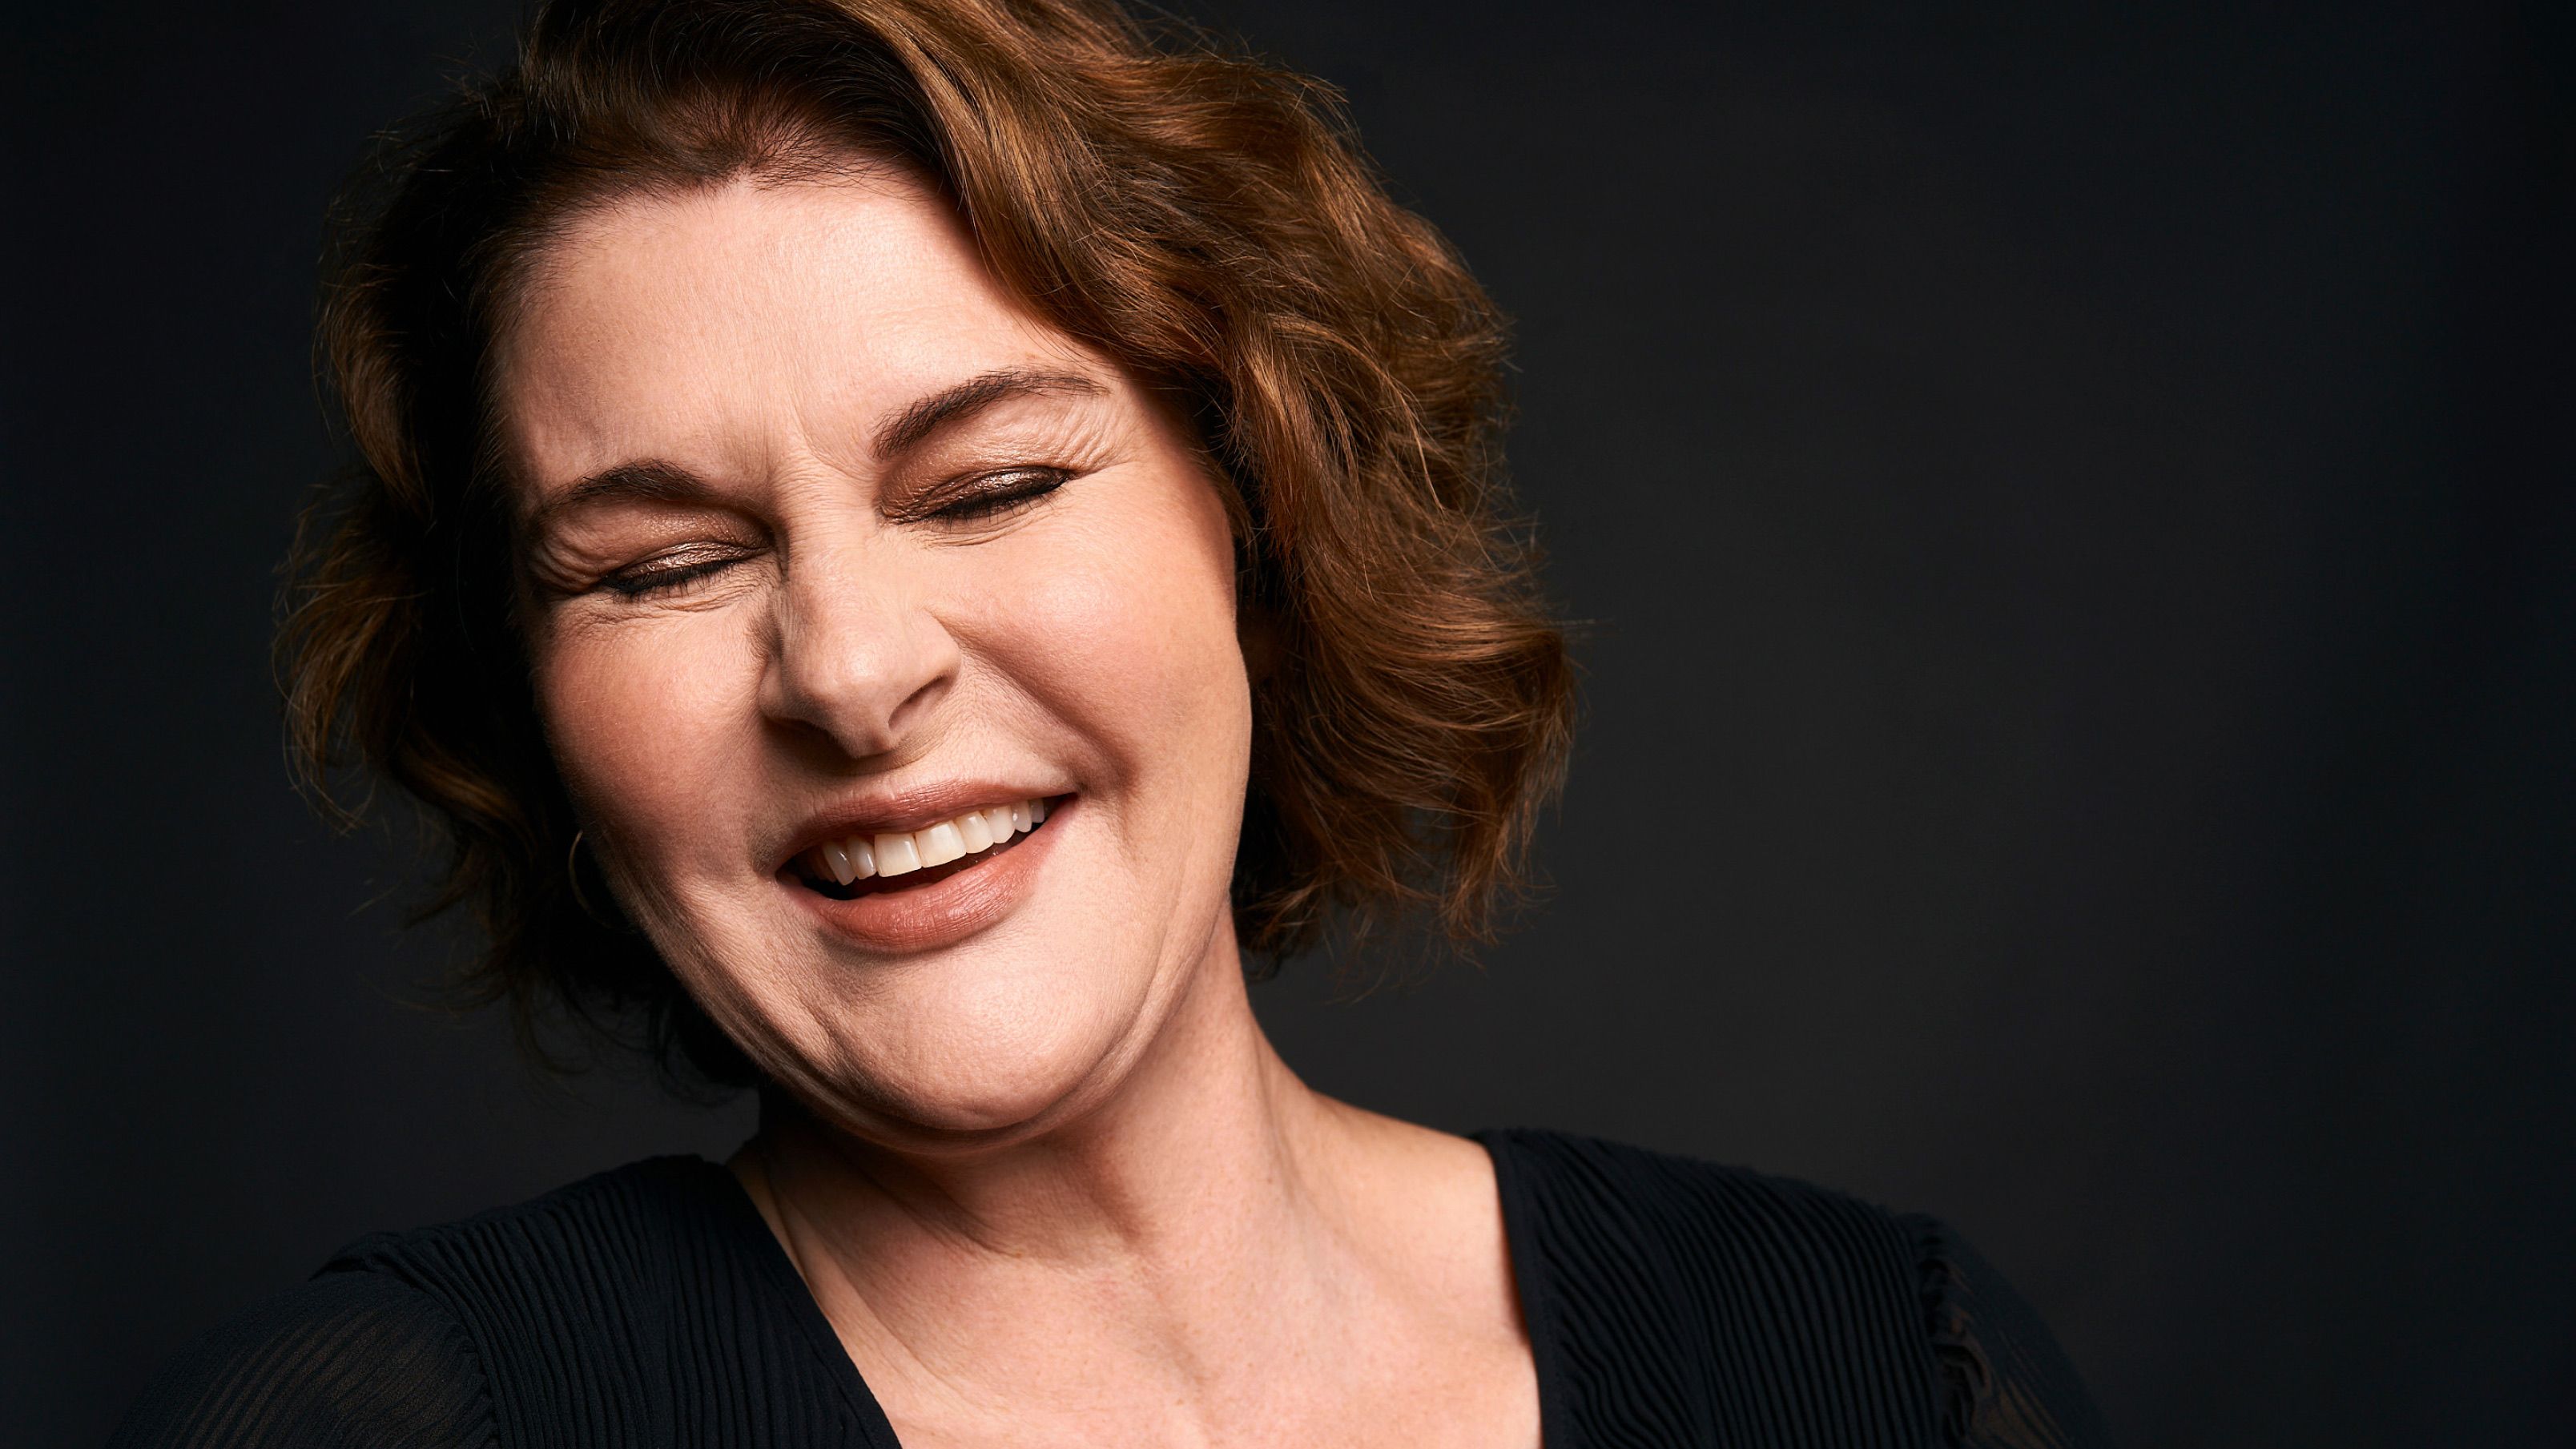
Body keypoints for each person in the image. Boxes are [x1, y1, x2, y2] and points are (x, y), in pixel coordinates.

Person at [115, 0, 2109, 1443]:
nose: (850, 671)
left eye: (986, 486)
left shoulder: (1878, 1368)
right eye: (661, 567)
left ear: (1258, 509)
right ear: (529, 706)